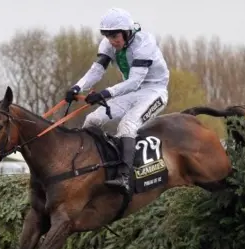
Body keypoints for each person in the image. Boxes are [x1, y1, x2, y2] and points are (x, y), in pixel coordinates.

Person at [65, 7, 169, 194]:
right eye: (108, 37)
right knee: (92, 121)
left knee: (127, 126)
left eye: (115, 37)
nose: (112, 42)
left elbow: (135, 81)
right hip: (131, 92)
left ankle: (125, 177)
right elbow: (97, 70)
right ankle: (91, 167)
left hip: (154, 92)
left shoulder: (144, 43)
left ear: (127, 32)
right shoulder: (108, 45)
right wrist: (77, 87)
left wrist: (105, 93)